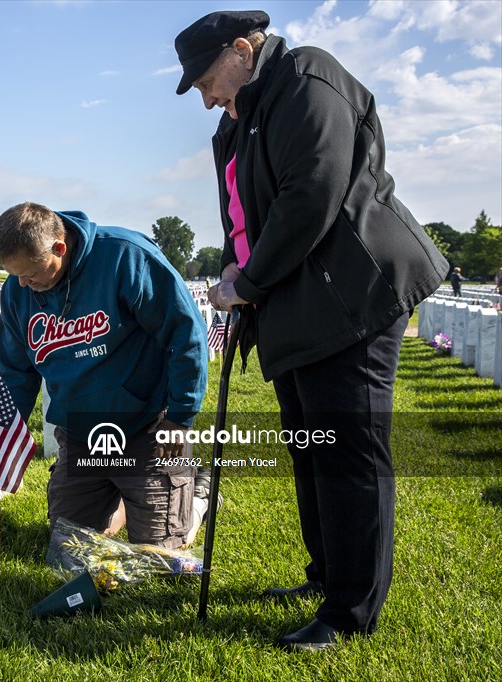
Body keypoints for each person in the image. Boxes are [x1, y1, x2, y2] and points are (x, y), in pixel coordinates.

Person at [174, 10, 448, 651]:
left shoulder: (307, 79)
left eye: (208, 79)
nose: (207, 97)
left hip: (351, 296)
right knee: (310, 444)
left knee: (348, 453)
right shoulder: (240, 123)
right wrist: (231, 268)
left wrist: (246, 282)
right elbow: (241, 216)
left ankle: (351, 609)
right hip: (297, 305)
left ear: (243, 49)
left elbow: (312, 194)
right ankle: (328, 575)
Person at [0, 202, 209, 549]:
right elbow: (15, 372)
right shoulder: (18, 291)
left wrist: (180, 418)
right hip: (81, 433)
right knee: (72, 548)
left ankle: (197, 498)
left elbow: (186, 335)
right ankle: (123, 498)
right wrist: (5, 435)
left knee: (156, 555)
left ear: (59, 248)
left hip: (147, 427)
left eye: (30, 273)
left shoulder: (126, 257)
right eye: (14, 274)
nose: (22, 283)